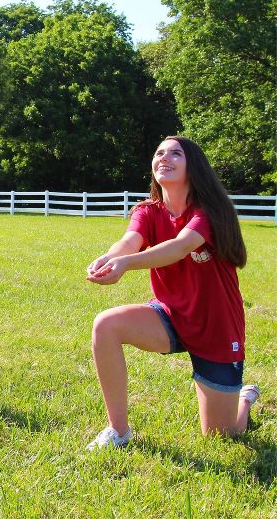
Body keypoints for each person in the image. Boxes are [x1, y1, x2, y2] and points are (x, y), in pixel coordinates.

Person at [85, 136, 260, 450]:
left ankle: (245, 401)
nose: (164, 157)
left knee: (222, 436)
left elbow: (178, 247)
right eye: (159, 152)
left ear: (193, 166)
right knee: (105, 325)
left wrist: (125, 264)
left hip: (216, 331)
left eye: (176, 153)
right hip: (171, 315)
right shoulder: (147, 211)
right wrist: (109, 257)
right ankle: (118, 431)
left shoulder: (209, 211)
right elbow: (129, 241)